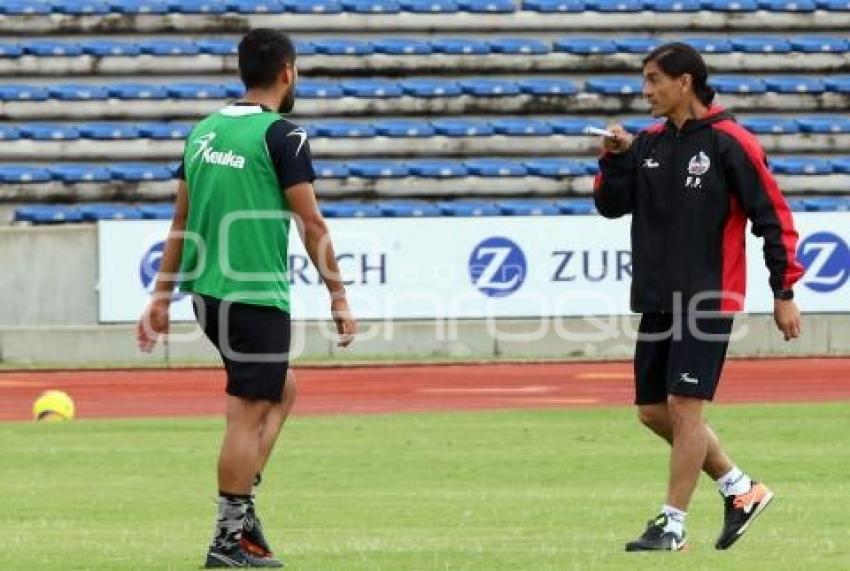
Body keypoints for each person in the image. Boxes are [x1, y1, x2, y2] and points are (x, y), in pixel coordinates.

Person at [136, 28, 357, 568]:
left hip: (208, 295)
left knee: (283, 389)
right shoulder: (283, 135)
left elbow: (180, 221)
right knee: (246, 412)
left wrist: (161, 296)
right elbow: (311, 222)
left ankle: (242, 515)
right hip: (255, 296)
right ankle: (230, 538)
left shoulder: (204, 132)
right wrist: (339, 295)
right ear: (287, 71)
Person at [594, 42, 803, 552]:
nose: (645, 91)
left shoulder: (732, 142)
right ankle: (739, 488)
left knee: (685, 408)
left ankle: (672, 525)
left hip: (710, 295)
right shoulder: (646, 143)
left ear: (684, 82)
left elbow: (772, 218)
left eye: (653, 80)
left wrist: (784, 290)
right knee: (651, 411)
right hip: (658, 296)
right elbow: (609, 206)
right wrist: (615, 160)